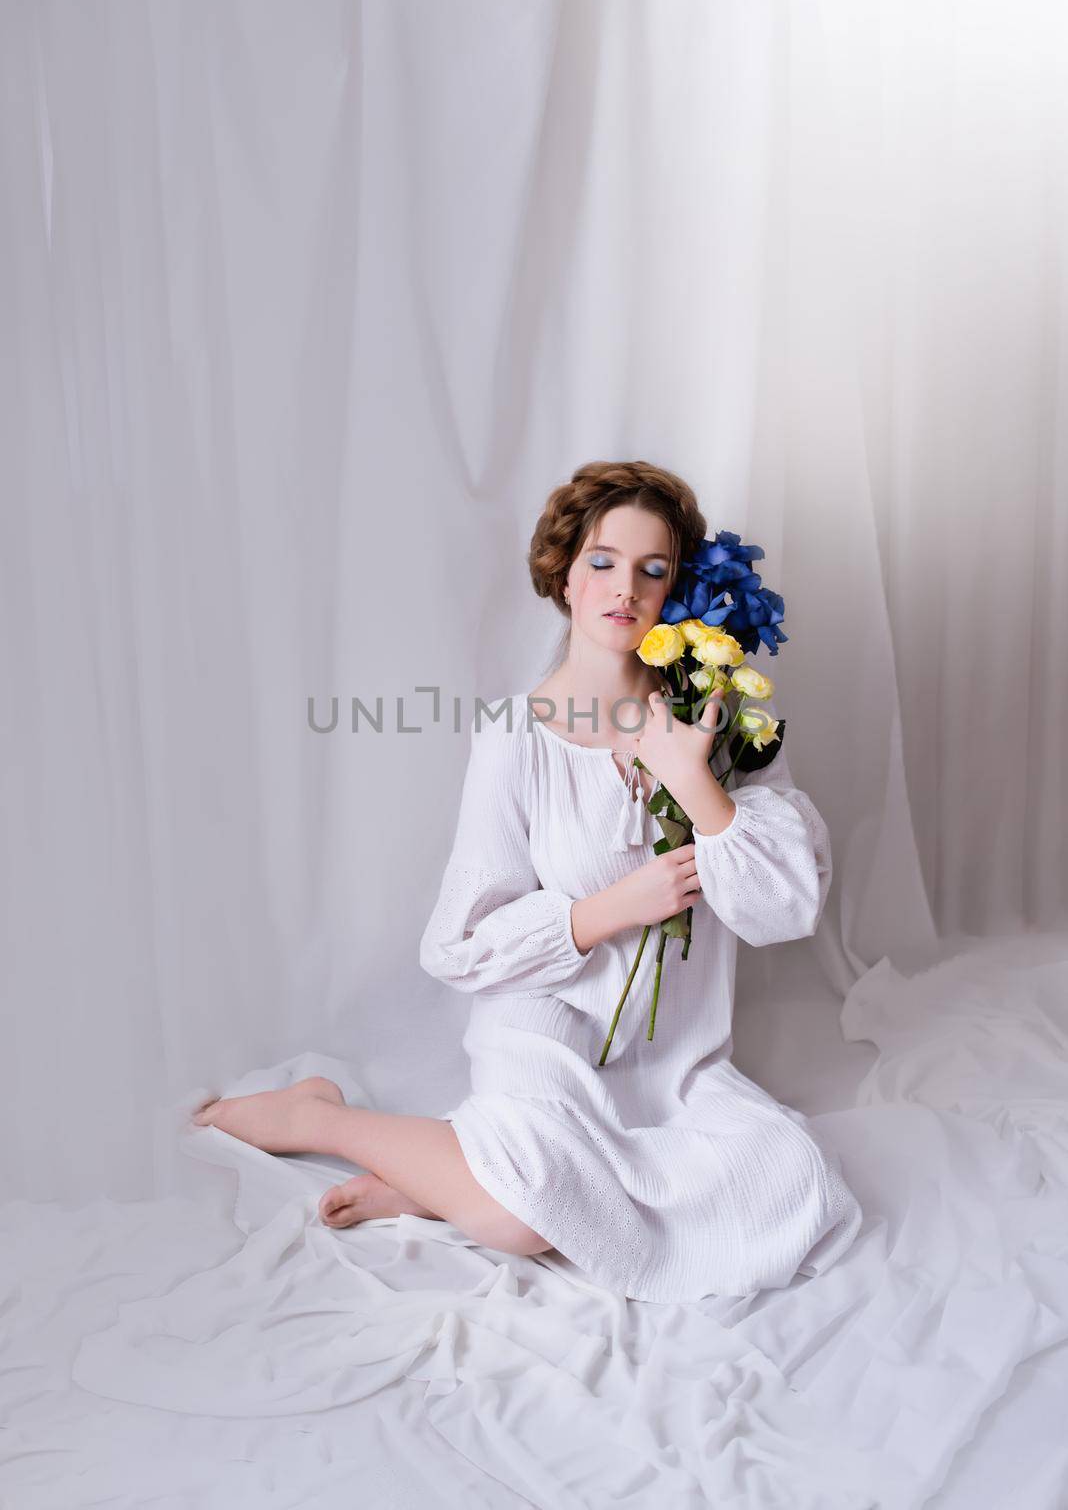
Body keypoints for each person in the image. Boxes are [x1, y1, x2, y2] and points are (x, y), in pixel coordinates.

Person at [192, 459, 861, 1301]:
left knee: (788, 1180)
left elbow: (785, 908)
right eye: (604, 562)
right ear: (565, 574)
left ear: (677, 589)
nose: (627, 588)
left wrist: (691, 779)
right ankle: (321, 1116)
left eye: (654, 570)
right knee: (523, 1224)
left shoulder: (716, 718)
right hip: (547, 1026)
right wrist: (610, 910)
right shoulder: (516, 736)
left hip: (673, 1058)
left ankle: (445, 1180)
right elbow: (456, 945)